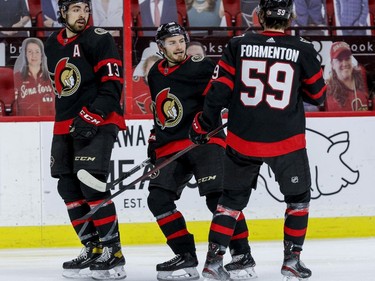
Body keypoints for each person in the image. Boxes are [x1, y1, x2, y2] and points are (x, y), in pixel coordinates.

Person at [189, 0, 326, 280]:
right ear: (291, 17)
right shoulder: (303, 48)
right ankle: (292, 261)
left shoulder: (237, 45)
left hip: (243, 139)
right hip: (286, 141)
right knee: (298, 200)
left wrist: (204, 125)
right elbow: (318, 96)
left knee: (230, 201)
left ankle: (213, 263)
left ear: (260, 16)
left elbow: (218, 92)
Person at [146, 22, 256, 281]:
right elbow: (160, 112)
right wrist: (154, 143)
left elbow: (228, 89)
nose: (179, 46)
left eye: (181, 40)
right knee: (158, 199)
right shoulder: (154, 73)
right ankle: (185, 255)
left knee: (217, 199)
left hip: (206, 141)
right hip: (172, 146)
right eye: (172, 42)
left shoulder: (201, 65)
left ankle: (242, 255)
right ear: (161, 47)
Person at [44, 0, 126, 279]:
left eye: (86, 9)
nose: (83, 15)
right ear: (63, 13)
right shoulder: (51, 44)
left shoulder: (99, 39)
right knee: (68, 188)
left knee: (91, 184)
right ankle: (92, 247)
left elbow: (114, 84)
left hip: (99, 119)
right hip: (64, 124)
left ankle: (113, 253)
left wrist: (92, 114)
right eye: (76, 9)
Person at [13, 37, 55, 116]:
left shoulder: (52, 76)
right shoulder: (17, 77)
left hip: (49, 122)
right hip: (26, 123)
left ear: (42, 54)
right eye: (30, 52)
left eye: (37, 52)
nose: (34, 55)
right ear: (25, 54)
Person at [324, 41, 370, 111]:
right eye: (339, 60)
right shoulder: (330, 90)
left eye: (347, 58)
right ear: (332, 64)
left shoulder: (361, 75)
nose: (344, 64)